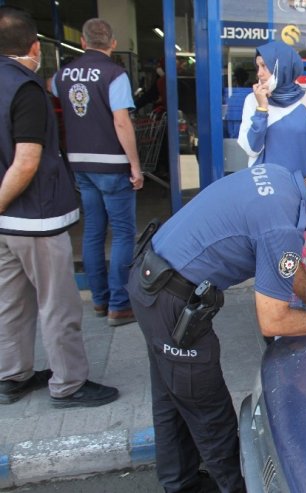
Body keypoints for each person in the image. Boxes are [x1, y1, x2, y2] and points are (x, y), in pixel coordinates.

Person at [128, 161, 306, 492]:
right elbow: (274, 319)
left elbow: (283, 262)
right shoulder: (282, 225)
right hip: (171, 302)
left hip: (152, 282)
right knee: (211, 415)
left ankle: (180, 483)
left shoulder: (279, 180)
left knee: (172, 398)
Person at [0, 6, 118, 408]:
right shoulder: (26, 88)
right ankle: (68, 384)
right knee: (57, 304)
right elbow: (27, 160)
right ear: (34, 46)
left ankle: (12, 375)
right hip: (35, 217)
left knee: (11, 302)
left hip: (6, 225)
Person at [52, 18, 144, 326]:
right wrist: (135, 165)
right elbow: (121, 122)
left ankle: (100, 301)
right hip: (112, 165)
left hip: (81, 164)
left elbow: (49, 90)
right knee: (122, 234)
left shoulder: (61, 75)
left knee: (93, 231)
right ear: (113, 43)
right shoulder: (114, 74)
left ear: (82, 41)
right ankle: (120, 305)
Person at [237, 40, 306, 176]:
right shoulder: (252, 100)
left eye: (264, 66)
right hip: (266, 190)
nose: (259, 74)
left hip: (302, 189)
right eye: (258, 67)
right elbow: (251, 149)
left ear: (283, 67)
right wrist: (262, 108)